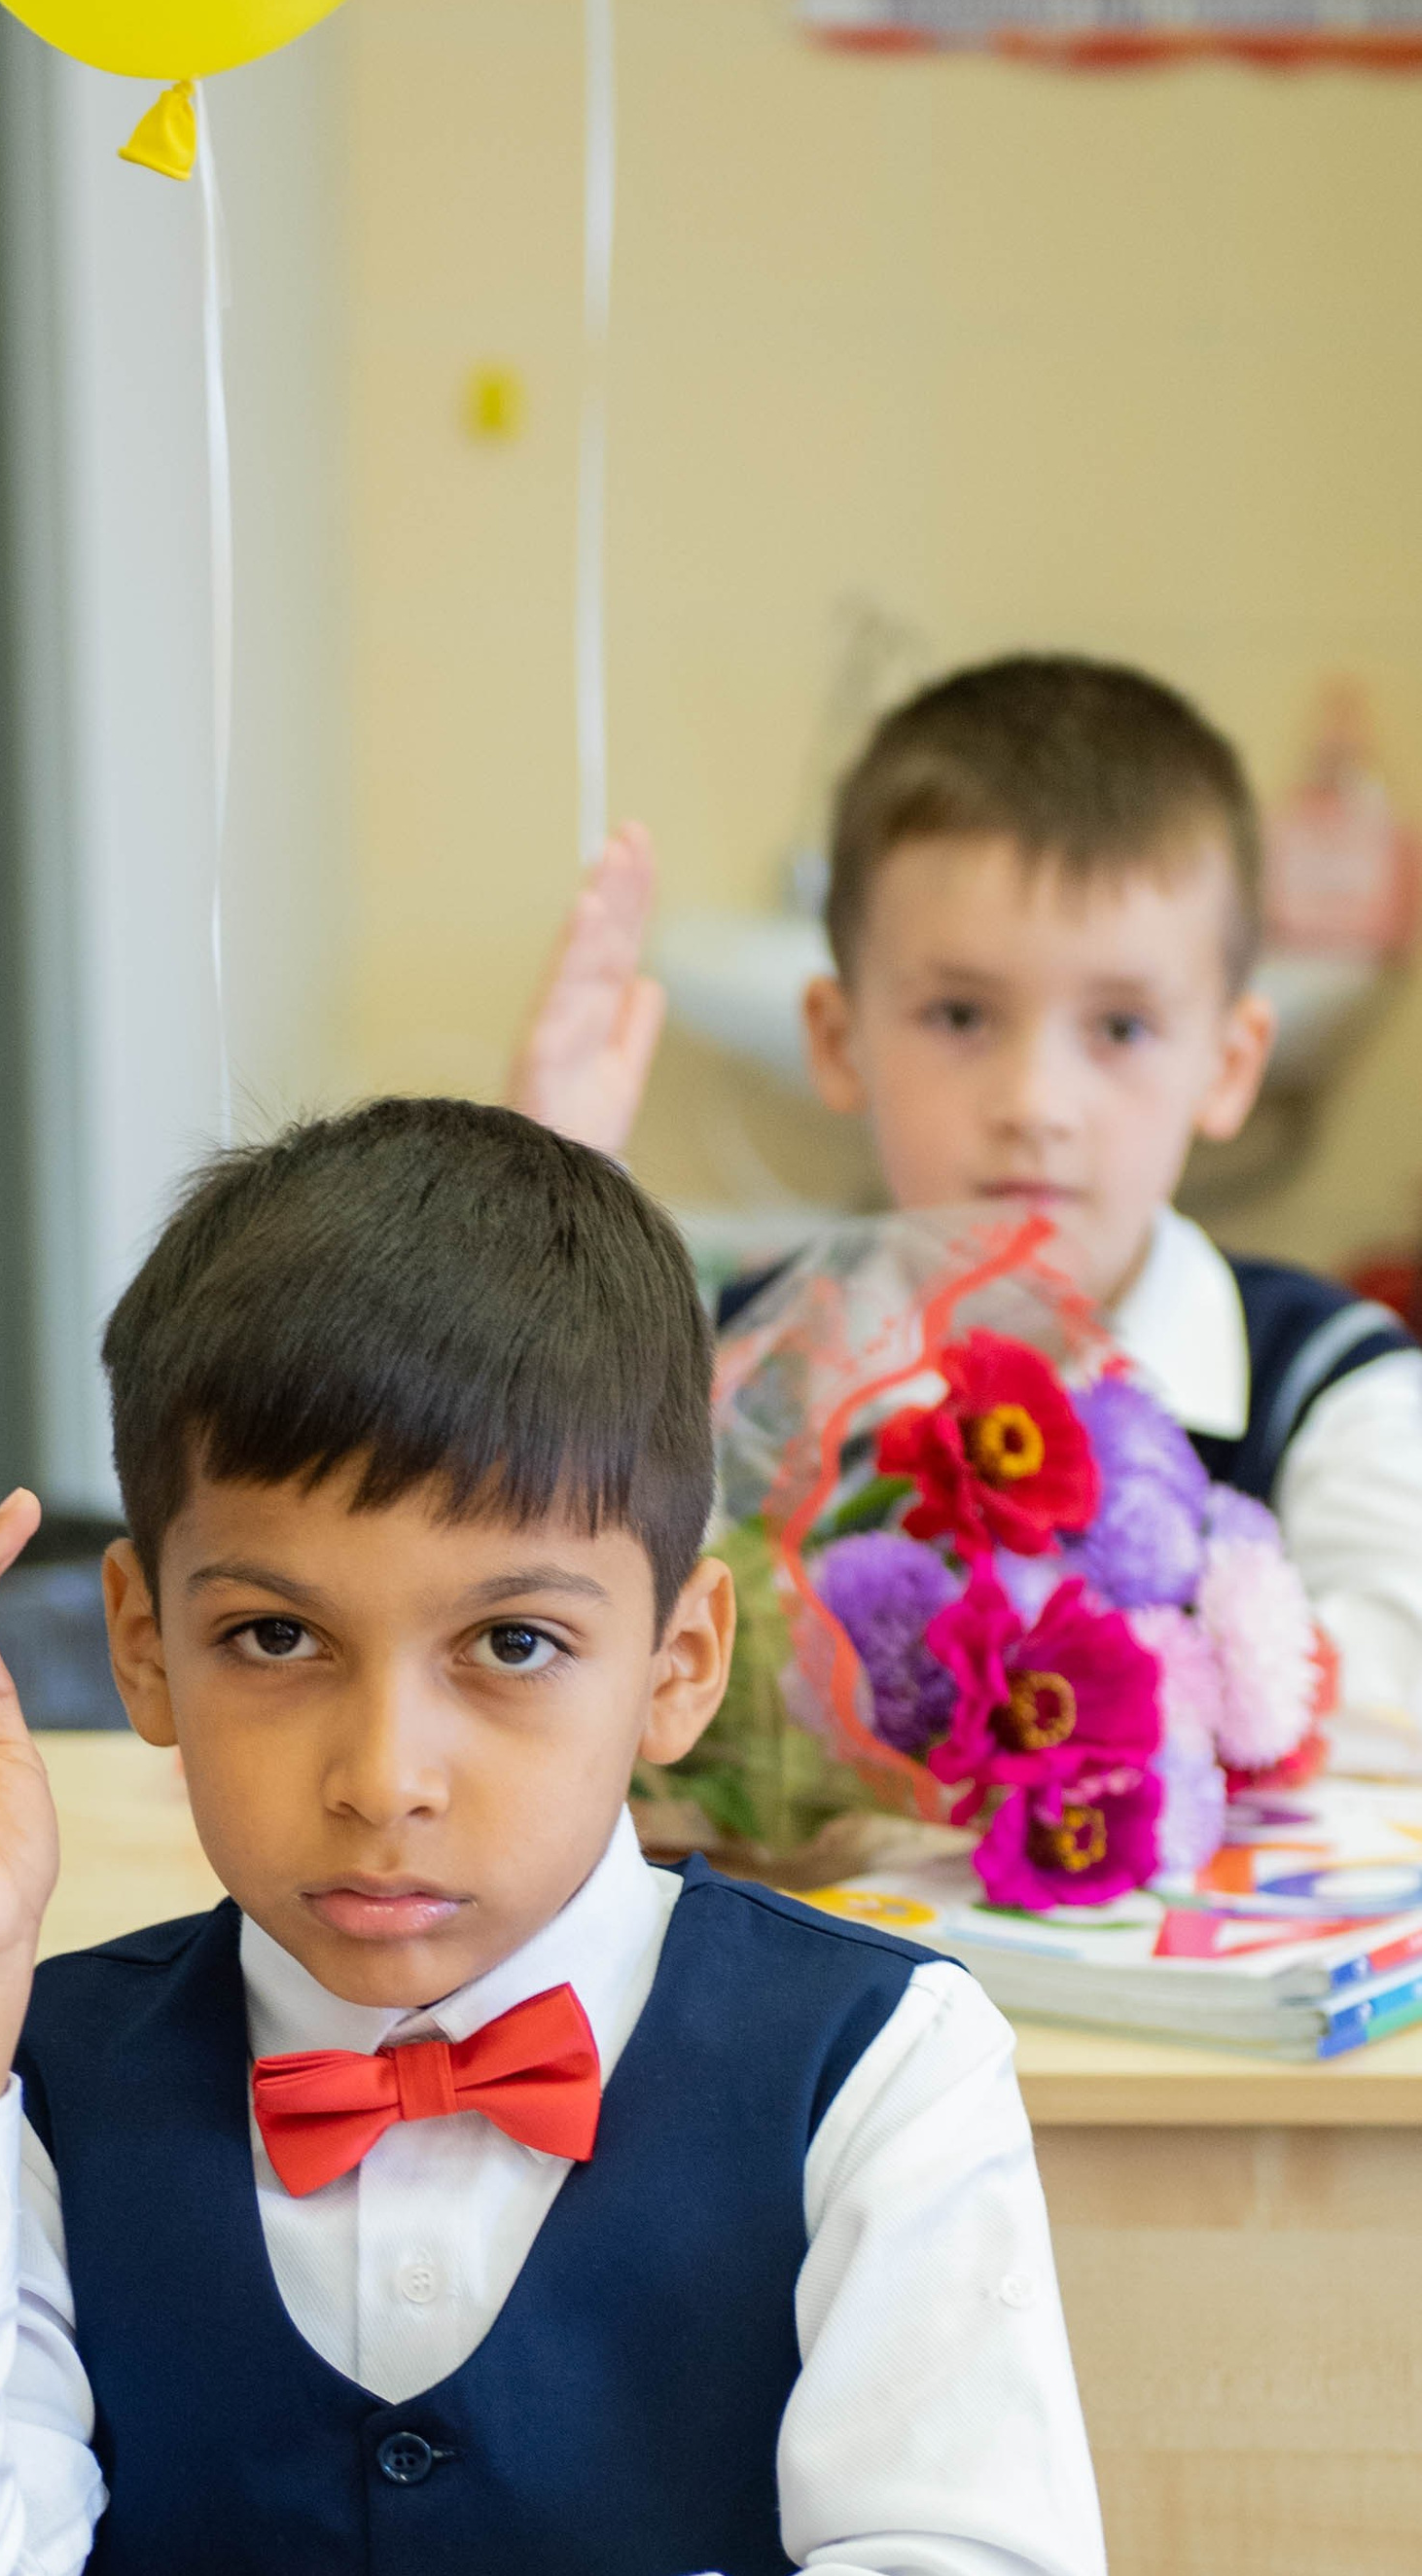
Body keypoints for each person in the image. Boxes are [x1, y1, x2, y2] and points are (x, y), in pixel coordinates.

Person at [0, 1100, 1108, 2576]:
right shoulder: (31, 2076)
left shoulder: (879, 2059)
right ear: (143, 1646)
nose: (383, 1775)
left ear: (676, 1667)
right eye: (276, 1639)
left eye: (512, 1646)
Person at [512, 662, 1422, 1756]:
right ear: (839, 1041)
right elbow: (542, 1611)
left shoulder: (1328, 1382)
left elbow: (1392, 1703)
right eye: (958, 1014)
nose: (1035, 1104)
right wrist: (542, 1215)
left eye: (1120, 1028)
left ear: (1229, 1065)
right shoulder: (729, 1365)